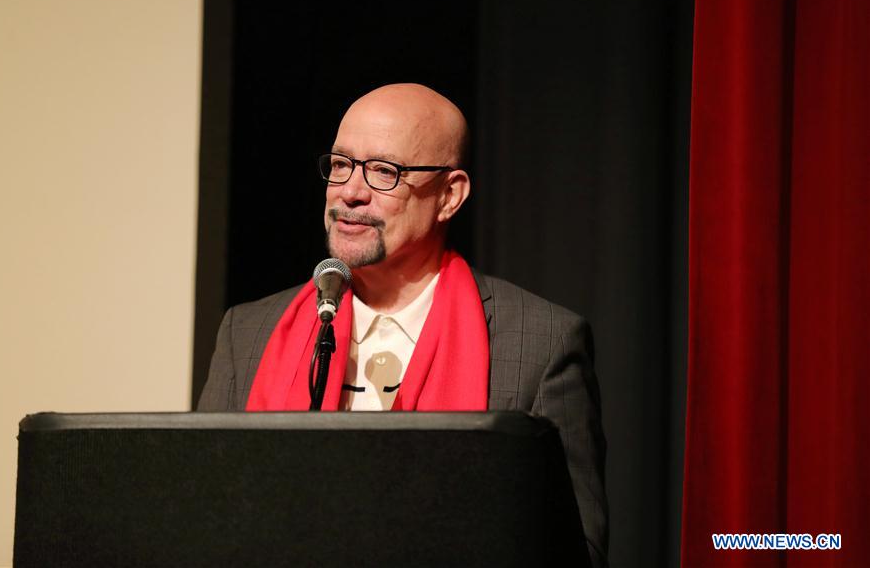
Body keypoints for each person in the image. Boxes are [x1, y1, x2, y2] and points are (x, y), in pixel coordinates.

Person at [197, 83, 608, 566]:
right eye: (341, 164)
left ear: (449, 195)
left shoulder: (541, 344)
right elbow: (200, 517)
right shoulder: (248, 332)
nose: (351, 192)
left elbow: (577, 552)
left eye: (383, 171)